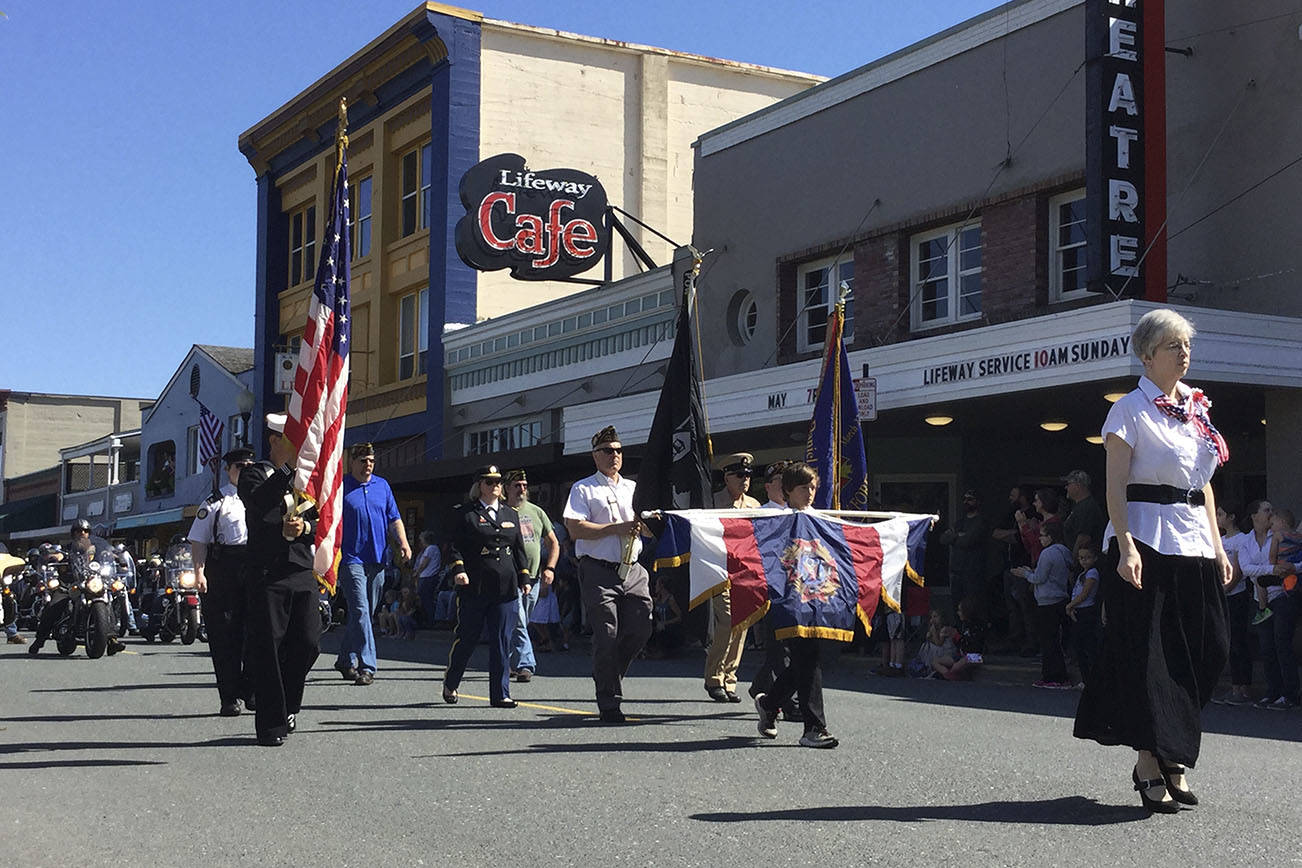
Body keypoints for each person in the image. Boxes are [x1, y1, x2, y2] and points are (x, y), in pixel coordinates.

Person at [1074, 309, 1232, 814]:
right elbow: (1114, 486)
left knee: (1210, 647)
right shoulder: (1128, 411)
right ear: (1147, 355)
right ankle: (1154, 759)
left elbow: (1202, 485)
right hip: (1144, 538)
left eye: (1186, 345)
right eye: (1172, 346)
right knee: (1149, 657)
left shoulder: (1197, 409)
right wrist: (1124, 547)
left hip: (1195, 542)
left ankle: (1170, 748)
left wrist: (1220, 545)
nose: (1183, 353)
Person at [240, 412, 323, 747]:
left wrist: (306, 528)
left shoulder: (305, 482)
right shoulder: (254, 474)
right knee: (268, 648)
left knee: (308, 642)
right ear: (275, 441)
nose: (299, 447)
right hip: (268, 571)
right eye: (293, 440)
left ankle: (289, 703)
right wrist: (287, 470)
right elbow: (259, 504)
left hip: (301, 569)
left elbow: (322, 522)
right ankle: (271, 724)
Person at [563, 426, 654, 724]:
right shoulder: (584, 488)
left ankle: (608, 674)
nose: (614, 455)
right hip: (598, 569)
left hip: (633, 568)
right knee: (607, 633)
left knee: (641, 626)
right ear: (595, 456)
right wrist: (614, 528)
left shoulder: (633, 487)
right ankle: (609, 700)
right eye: (607, 450)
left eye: (618, 450)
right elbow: (575, 529)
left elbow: (649, 526)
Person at [753, 461, 838, 749]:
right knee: (807, 657)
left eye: (813, 487)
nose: (810, 493)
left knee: (807, 660)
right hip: (787, 599)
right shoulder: (775, 520)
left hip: (816, 596)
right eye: (804, 488)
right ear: (788, 490)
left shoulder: (820, 518)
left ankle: (770, 703)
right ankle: (814, 727)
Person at [442, 466, 531, 709]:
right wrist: (459, 569)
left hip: (505, 586)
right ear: (480, 485)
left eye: (498, 482)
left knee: (502, 640)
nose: (495, 487)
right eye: (490, 482)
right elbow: (454, 546)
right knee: (468, 637)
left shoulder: (510, 514)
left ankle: (500, 694)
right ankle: (451, 681)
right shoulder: (466, 514)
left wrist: (524, 578)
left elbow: (519, 550)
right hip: (476, 585)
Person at [334, 442, 410, 687]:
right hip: (350, 559)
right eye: (363, 460)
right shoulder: (341, 487)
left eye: (371, 461)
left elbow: (394, 517)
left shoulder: (382, 486)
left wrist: (404, 543)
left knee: (365, 613)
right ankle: (368, 665)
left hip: (377, 559)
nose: (368, 465)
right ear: (352, 463)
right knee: (360, 611)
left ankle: (345, 659)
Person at [188, 446, 255, 716]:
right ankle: (229, 696)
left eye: (250, 467)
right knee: (225, 635)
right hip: (224, 567)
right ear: (229, 471)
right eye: (240, 467)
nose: (245, 472)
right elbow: (198, 539)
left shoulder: (262, 498)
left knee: (257, 631)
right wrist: (199, 572)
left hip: (254, 566)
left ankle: (250, 689)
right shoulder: (216, 501)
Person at [748, 461, 805, 714]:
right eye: (779, 483)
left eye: (787, 483)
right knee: (779, 644)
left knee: (789, 643)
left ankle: (761, 685)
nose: (783, 488)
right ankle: (788, 702)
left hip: (798, 586)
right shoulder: (761, 515)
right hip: (773, 587)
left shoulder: (800, 513)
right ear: (769, 486)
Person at [705, 452, 759, 703]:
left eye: (747, 475)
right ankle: (714, 678)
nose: (744, 480)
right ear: (726, 477)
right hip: (720, 570)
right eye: (739, 475)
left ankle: (730, 679)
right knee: (726, 622)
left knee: (742, 626)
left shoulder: (755, 506)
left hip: (745, 572)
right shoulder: (713, 503)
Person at [29, 518, 125, 657]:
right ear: (73, 533)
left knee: (107, 602)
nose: (82, 533)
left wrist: (117, 557)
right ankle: (40, 639)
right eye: (78, 530)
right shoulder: (69, 548)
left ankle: (111, 640)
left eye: (85, 531)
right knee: (54, 604)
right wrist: (55, 557)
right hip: (70, 584)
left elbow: (108, 554)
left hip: (92, 582)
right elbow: (60, 554)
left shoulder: (97, 548)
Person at [504, 468, 558, 683]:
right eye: (517, 485)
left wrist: (550, 568)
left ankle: (507, 663)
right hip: (509, 577)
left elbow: (553, 542)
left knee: (519, 621)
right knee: (517, 617)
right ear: (507, 488)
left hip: (534, 577)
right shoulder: (500, 511)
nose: (522, 489)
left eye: (525, 485)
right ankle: (527, 664)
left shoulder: (536, 512)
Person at [1013, 520, 1073, 688]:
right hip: (1061, 596)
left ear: (1051, 536)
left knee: (1048, 641)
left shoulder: (1047, 553)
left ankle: (1052, 676)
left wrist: (1025, 574)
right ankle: (1059, 675)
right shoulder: (1065, 551)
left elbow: (1039, 578)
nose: (1040, 539)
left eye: (1042, 535)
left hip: (1047, 601)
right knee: (1055, 640)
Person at [1256, 506, 1300, 709]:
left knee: (1281, 643)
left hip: (1282, 594)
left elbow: (1272, 561)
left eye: (1273, 523)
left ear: (1281, 522)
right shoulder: (1297, 537)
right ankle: (1279, 691)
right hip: (1285, 591)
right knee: (1275, 645)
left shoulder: (1277, 537)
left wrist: (1273, 568)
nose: (1271, 527)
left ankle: (1290, 694)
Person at [1211, 504, 1253, 706]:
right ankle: (1233, 686)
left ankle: (1243, 688)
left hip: (1237, 595)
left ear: (1232, 517)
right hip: (1221, 595)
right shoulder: (1219, 540)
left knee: (1239, 641)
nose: (1217, 517)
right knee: (1227, 641)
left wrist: (1226, 590)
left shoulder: (1242, 539)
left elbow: (1238, 572)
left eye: (1220, 514)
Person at [939, 489, 988, 610]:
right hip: (956, 572)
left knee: (972, 607)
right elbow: (943, 539)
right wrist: (958, 535)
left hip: (973, 573)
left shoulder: (981, 522)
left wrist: (955, 537)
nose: (966, 502)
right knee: (956, 607)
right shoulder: (960, 522)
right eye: (964, 499)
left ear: (977, 502)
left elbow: (968, 541)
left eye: (970, 499)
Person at [1065, 544, 1101, 687]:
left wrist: (1070, 605)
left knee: (1087, 647)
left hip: (1086, 611)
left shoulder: (1092, 573)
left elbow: (1085, 594)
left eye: (1088, 558)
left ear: (1095, 558)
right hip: (1078, 610)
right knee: (1079, 647)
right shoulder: (1082, 573)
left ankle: (1091, 680)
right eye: (1081, 558)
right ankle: (1086, 679)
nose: (1084, 561)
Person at [1062, 470, 1106, 557]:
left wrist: (1074, 560)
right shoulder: (1079, 506)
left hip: (1084, 562)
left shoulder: (1087, 507)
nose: (1066, 487)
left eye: (1068, 484)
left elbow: (1083, 538)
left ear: (1078, 485)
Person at [412, 531, 442, 626]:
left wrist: (417, 572)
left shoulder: (430, 548)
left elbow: (424, 563)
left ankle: (430, 620)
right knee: (425, 598)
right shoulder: (433, 549)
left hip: (427, 576)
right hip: (427, 576)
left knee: (426, 599)